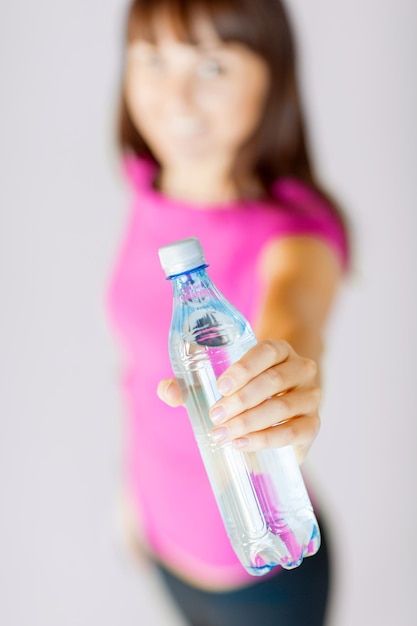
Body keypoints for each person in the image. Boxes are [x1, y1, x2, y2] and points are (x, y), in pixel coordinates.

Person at [107, 1, 349, 624]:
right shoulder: (148, 183)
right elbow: (136, 373)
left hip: (260, 577)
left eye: (214, 66)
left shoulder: (297, 236)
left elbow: (294, 321)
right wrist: (134, 497)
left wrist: (286, 385)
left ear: (271, 74)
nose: (177, 98)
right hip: (160, 545)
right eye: (154, 59)